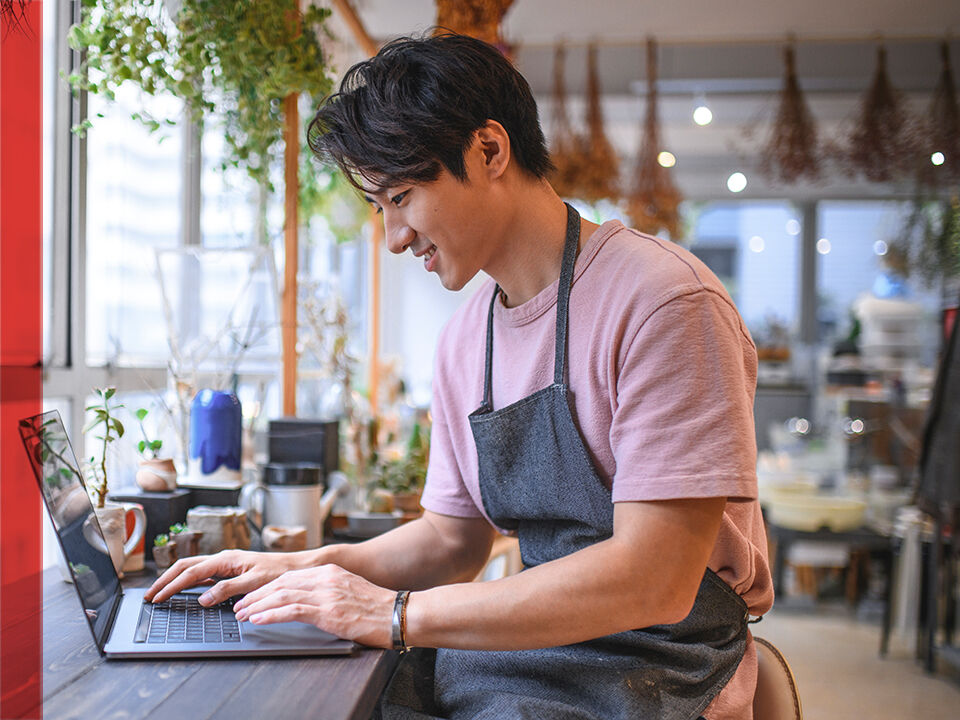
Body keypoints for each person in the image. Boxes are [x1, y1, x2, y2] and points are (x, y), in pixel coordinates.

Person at [146, 32, 773, 720]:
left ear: (490, 151)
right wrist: (305, 568)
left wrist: (393, 613)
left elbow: (654, 581)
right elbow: (451, 542)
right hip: (529, 652)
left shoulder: (664, 302)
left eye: (404, 197)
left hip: (658, 664)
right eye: (379, 209)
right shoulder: (464, 338)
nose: (392, 238)